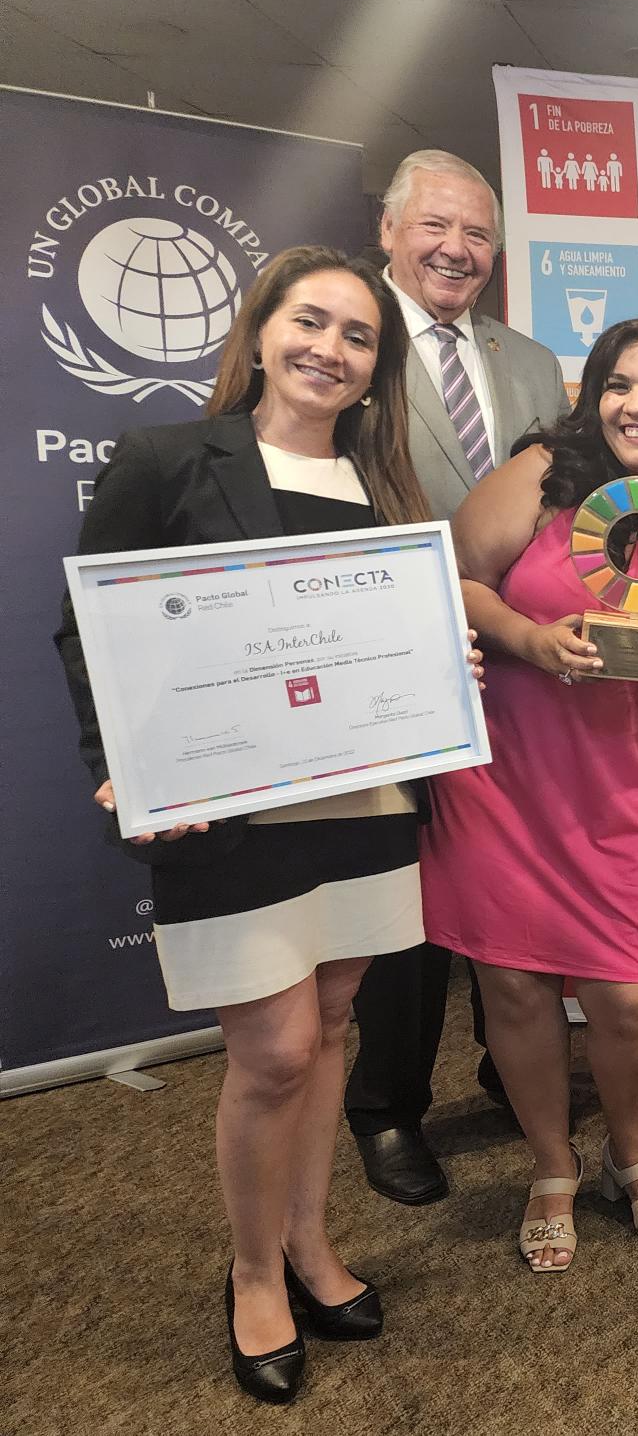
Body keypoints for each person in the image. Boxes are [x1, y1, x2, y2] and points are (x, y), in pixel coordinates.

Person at [55, 246, 442, 1403]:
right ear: (261, 331)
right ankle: (252, 1271)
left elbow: (395, 642)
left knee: (331, 1027)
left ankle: (311, 1244)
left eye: (358, 336)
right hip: (231, 806)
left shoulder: (386, 488)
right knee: (272, 1050)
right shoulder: (168, 460)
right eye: (310, 321)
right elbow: (91, 628)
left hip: (363, 799)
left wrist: (444, 670)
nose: (330, 349)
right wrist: (128, 766)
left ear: (377, 369)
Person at [422, 317, 638, 1271]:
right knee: (515, 988)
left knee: (631, 1004)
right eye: (619, 385)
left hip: (618, 792)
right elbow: (455, 580)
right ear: (594, 397)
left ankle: (628, 1151)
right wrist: (531, 640)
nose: (636, 405)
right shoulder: (544, 475)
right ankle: (551, 1164)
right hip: (502, 779)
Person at [346, 148, 569, 1207]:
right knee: (406, 887)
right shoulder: (352, 344)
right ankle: (387, 1105)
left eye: (478, 234)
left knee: (509, 872)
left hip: (516, 665)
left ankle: (503, 1064)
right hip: (390, 657)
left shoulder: (531, 363)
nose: (456, 249)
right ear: (389, 231)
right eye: (435, 226)